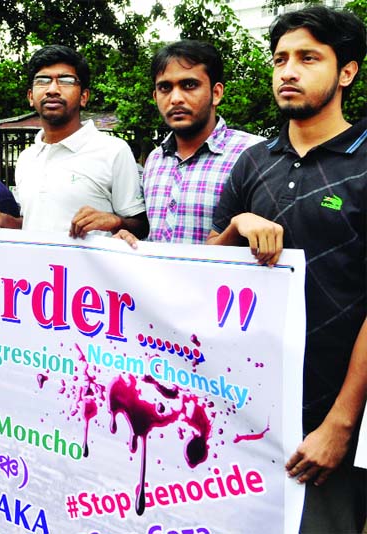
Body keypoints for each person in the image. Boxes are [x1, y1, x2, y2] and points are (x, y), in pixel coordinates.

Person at [207, 7, 367, 532]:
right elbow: (210, 264)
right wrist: (240, 223)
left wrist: (341, 424)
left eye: (308, 57)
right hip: (244, 410)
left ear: (347, 72)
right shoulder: (253, 161)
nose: (288, 71)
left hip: (328, 421)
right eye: (280, 59)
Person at [0, 45, 147, 239]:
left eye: (65, 81)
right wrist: (3, 220)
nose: (52, 89)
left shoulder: (113, 151)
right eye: (42, 81)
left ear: (84, 97)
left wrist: (115, 222)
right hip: (36, 268)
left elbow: (141, 226)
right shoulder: (27, 158)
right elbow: (31, 222)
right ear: (31, 97)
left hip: (90, 270)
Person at [114, 40, 264, 246]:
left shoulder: (254, 154)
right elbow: (153, 235)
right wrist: (128, 240)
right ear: (155, 96)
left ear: (216, 93)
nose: (175, 98)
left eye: (189, 85)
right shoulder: (155, 160)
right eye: (165, 88)